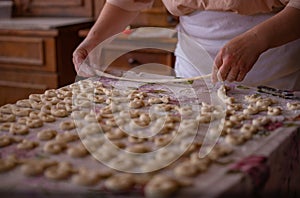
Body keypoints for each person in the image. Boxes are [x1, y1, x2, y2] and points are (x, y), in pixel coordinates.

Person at [73, 0, 300, 90]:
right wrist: (94, 39)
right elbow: (126, 3)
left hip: (273, 72)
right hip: (190, 74)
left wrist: (257, 40)